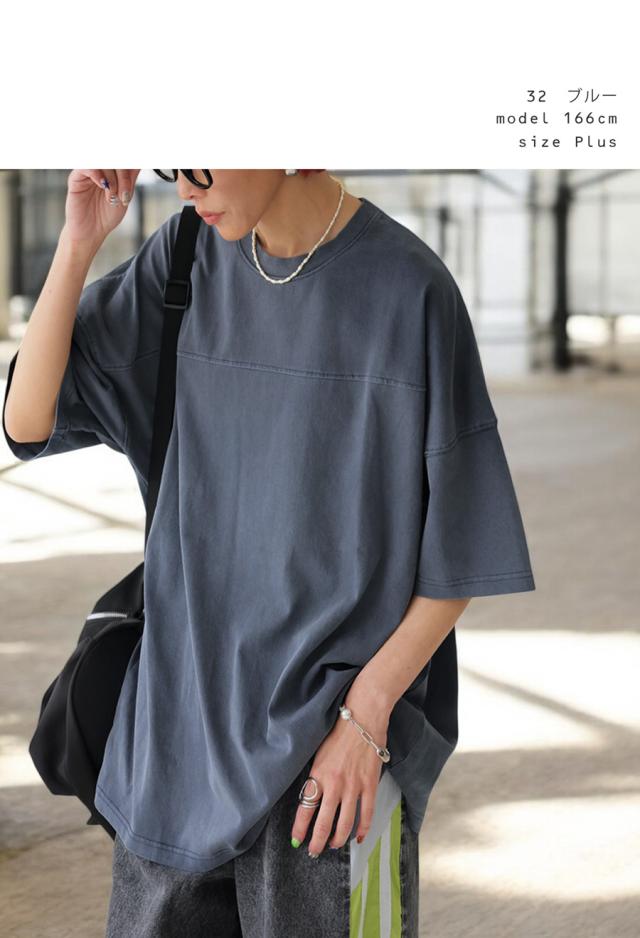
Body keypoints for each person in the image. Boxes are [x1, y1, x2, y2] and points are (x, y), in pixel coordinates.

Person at [2, 168, 536, 937]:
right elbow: (27, 419)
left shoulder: (410, 291)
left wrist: (366, 720)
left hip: (328, 772)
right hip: (175, 742)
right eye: (172, 165)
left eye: (201, 163)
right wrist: (78, 243)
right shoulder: (181, 260)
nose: (186, 188)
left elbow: (461, 547)